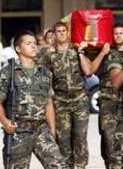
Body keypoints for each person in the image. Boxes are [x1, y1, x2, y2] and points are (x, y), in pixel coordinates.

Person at [0, 30, 68, 169]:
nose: (34, 46)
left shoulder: (44, 72)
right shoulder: (9, 72)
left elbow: (49, 104)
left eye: (35, 43)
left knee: (59, 165)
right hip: (18, 131)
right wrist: (5, 122)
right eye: (29, 43)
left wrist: (51, 131)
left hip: (41, 129)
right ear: (18, 48)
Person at [43, 22, 109, 169]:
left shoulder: (77, 49)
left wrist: (80, 53)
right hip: (60, 102)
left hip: (79, 100)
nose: (61, 33)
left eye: (63, 31)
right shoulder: (49, 55)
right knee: (63, 139)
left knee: (80, 137)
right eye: (58, 31)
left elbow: (88, 71)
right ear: (54, 34)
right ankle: (66, 166)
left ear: (67, 33)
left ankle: (80, 166)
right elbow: (46, 80)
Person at [99, 23, 123, 168]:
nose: (119, 36)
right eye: (116, 33)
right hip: (109, 106)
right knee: (111, 150)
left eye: (122, 33)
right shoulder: (110, 54)